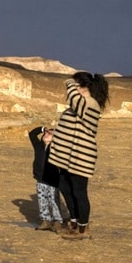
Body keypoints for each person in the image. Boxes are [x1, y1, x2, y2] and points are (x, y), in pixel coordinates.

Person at [42, 71, 108, 240]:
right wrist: (54, 134)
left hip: (80, 156)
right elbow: (70, 128)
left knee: (79, 191)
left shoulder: (90, 103)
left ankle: (83, 228)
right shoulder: (77, 106)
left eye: (76, 85)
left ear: (83, 87)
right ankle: (73, 222)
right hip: (67, 157)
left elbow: (74, 98)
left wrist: (69, 82)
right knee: (65, 187)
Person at [28, 125, 64, 231]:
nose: (46, 135)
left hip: (52, 179)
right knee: (42, 199)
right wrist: (42, 129)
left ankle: (57, 221)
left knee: (53, 199)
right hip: (40, 179)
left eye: (49, 134)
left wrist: (55, 133)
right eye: (45, 134)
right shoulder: (38, 146)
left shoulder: (56, 148)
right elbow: (32, 134)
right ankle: (45, 220)